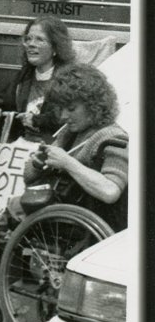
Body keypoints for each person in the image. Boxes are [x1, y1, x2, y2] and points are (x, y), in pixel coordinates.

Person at [18, 64, 128, 230]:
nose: (63, 116)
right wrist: (38, 163)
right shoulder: (68, 132)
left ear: (94, 105)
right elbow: (28, 177)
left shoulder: (114, 139)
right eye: (61, 109)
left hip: (88, 226)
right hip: (63, 218)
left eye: (71, 109)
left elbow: (110, 191)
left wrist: (67, 162)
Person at [0, 16, 75, 143]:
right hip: (18, 147)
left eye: (40, 39)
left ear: (55, 48)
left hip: (51, 148)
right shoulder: (24, 76)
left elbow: (68, 117)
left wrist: (37, 120)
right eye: (28, 39)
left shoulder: (68, 79)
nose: (31, 44)